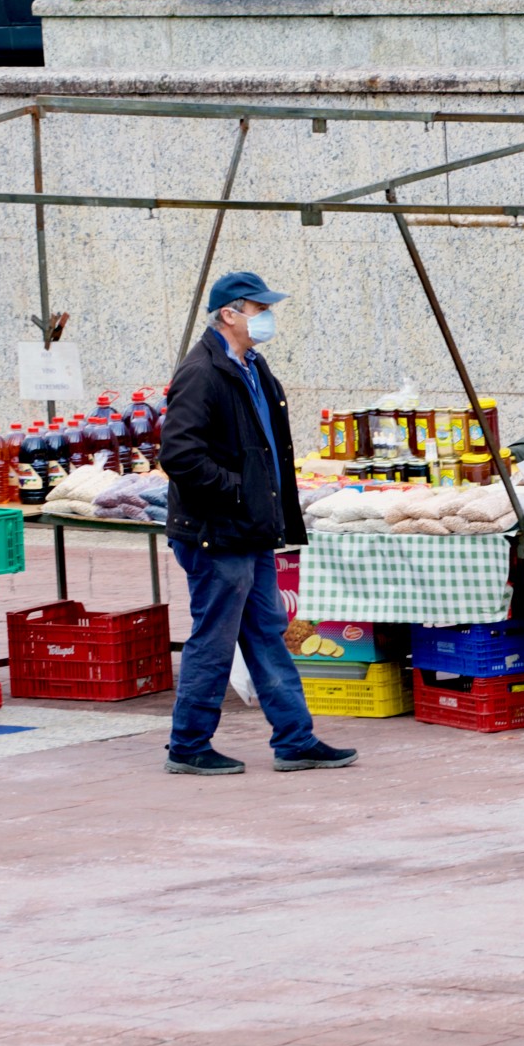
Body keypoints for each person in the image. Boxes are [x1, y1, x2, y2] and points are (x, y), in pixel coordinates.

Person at [158, 272, 357, 776]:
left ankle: (295, 739)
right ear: (230, 313)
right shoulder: (202, 371)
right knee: (215, 637)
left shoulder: (253, 366)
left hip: (250, 528)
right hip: (217, 532)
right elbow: (179, 455)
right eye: (258, 308)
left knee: (267, 632)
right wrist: (240, 491)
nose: (266, 317)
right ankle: (187, 746)